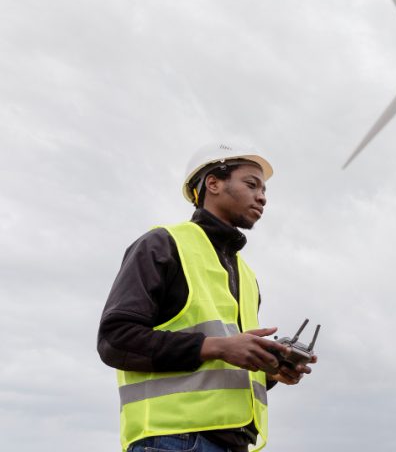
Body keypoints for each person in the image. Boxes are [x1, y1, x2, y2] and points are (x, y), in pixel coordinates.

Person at [98, 142, 315, 452]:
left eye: (265, 190)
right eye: (251, 184)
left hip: (233, 444)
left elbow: (221, 366)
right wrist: (217, 346)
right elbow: (115, 339)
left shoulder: (247, 275)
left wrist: (270, 370)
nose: (262, 197)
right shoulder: (162, 245)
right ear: (213, 183)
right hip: (171, 440)